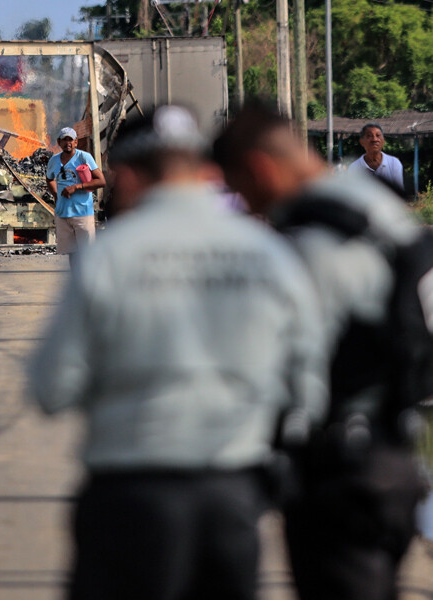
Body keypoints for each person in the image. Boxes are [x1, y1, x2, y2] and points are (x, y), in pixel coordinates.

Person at [28, 106, 328, 600]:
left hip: (129, 494)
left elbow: (51, 389)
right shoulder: (269, 255)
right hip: (231, 497)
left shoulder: (109, 259)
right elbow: (308, 393)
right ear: (207, 169)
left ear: (124, 177)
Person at [214, 102, 427, 600]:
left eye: (245, 192)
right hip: (396, 458)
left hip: (340, 475)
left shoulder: (311, 241)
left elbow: (287, 373)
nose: (250, 208)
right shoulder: (373, 208)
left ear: (261, 167)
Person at [45, 126, 106, 255]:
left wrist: (77, 187)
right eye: (65, 140)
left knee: (87, 254)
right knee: (71, 254)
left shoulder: (84, 157)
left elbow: (101, 181)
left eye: (71, 140)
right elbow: (49, 179)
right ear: (59, 142)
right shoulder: (54, 160)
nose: (68, 143)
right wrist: (56, 196)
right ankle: (76, 275)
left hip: (82, 213)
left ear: (76, 142)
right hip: (63, 215)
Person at [348, 122, 405, 193]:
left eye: (378, 135)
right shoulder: (354, 168)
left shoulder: (394, 163)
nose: (375, 139)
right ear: (362, 141)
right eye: (369, 136)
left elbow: (398, 194)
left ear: (383, 141)